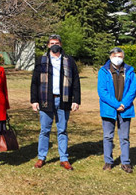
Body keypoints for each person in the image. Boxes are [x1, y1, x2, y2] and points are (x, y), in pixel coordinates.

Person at [30, 34, 81, 170]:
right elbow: (34, 82)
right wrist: (34, 100)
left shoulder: (69, 60)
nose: (54, 45)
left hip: (63, 99)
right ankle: (41, 157)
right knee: (44, 130)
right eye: (52, 43)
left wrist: (76, 100)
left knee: (62, 130)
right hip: (46, 99)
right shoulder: (41, 60)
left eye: (57, 42)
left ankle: (64, 158)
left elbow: (76, 81)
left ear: (61, 44)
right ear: (48, 45)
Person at [97, 47, 136, 173]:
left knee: (124, 137)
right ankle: (108, 161)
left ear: (123, 57)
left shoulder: (130, 71)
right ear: (110, 57)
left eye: (120, 56)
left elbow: (132, 90)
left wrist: (124, 104)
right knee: (108, 136)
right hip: (109, 109)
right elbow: (102, 91)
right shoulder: (103, 71)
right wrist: (116, 104)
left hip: (125, 109)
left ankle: (125, 162)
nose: (117, 58)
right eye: (115, 56)